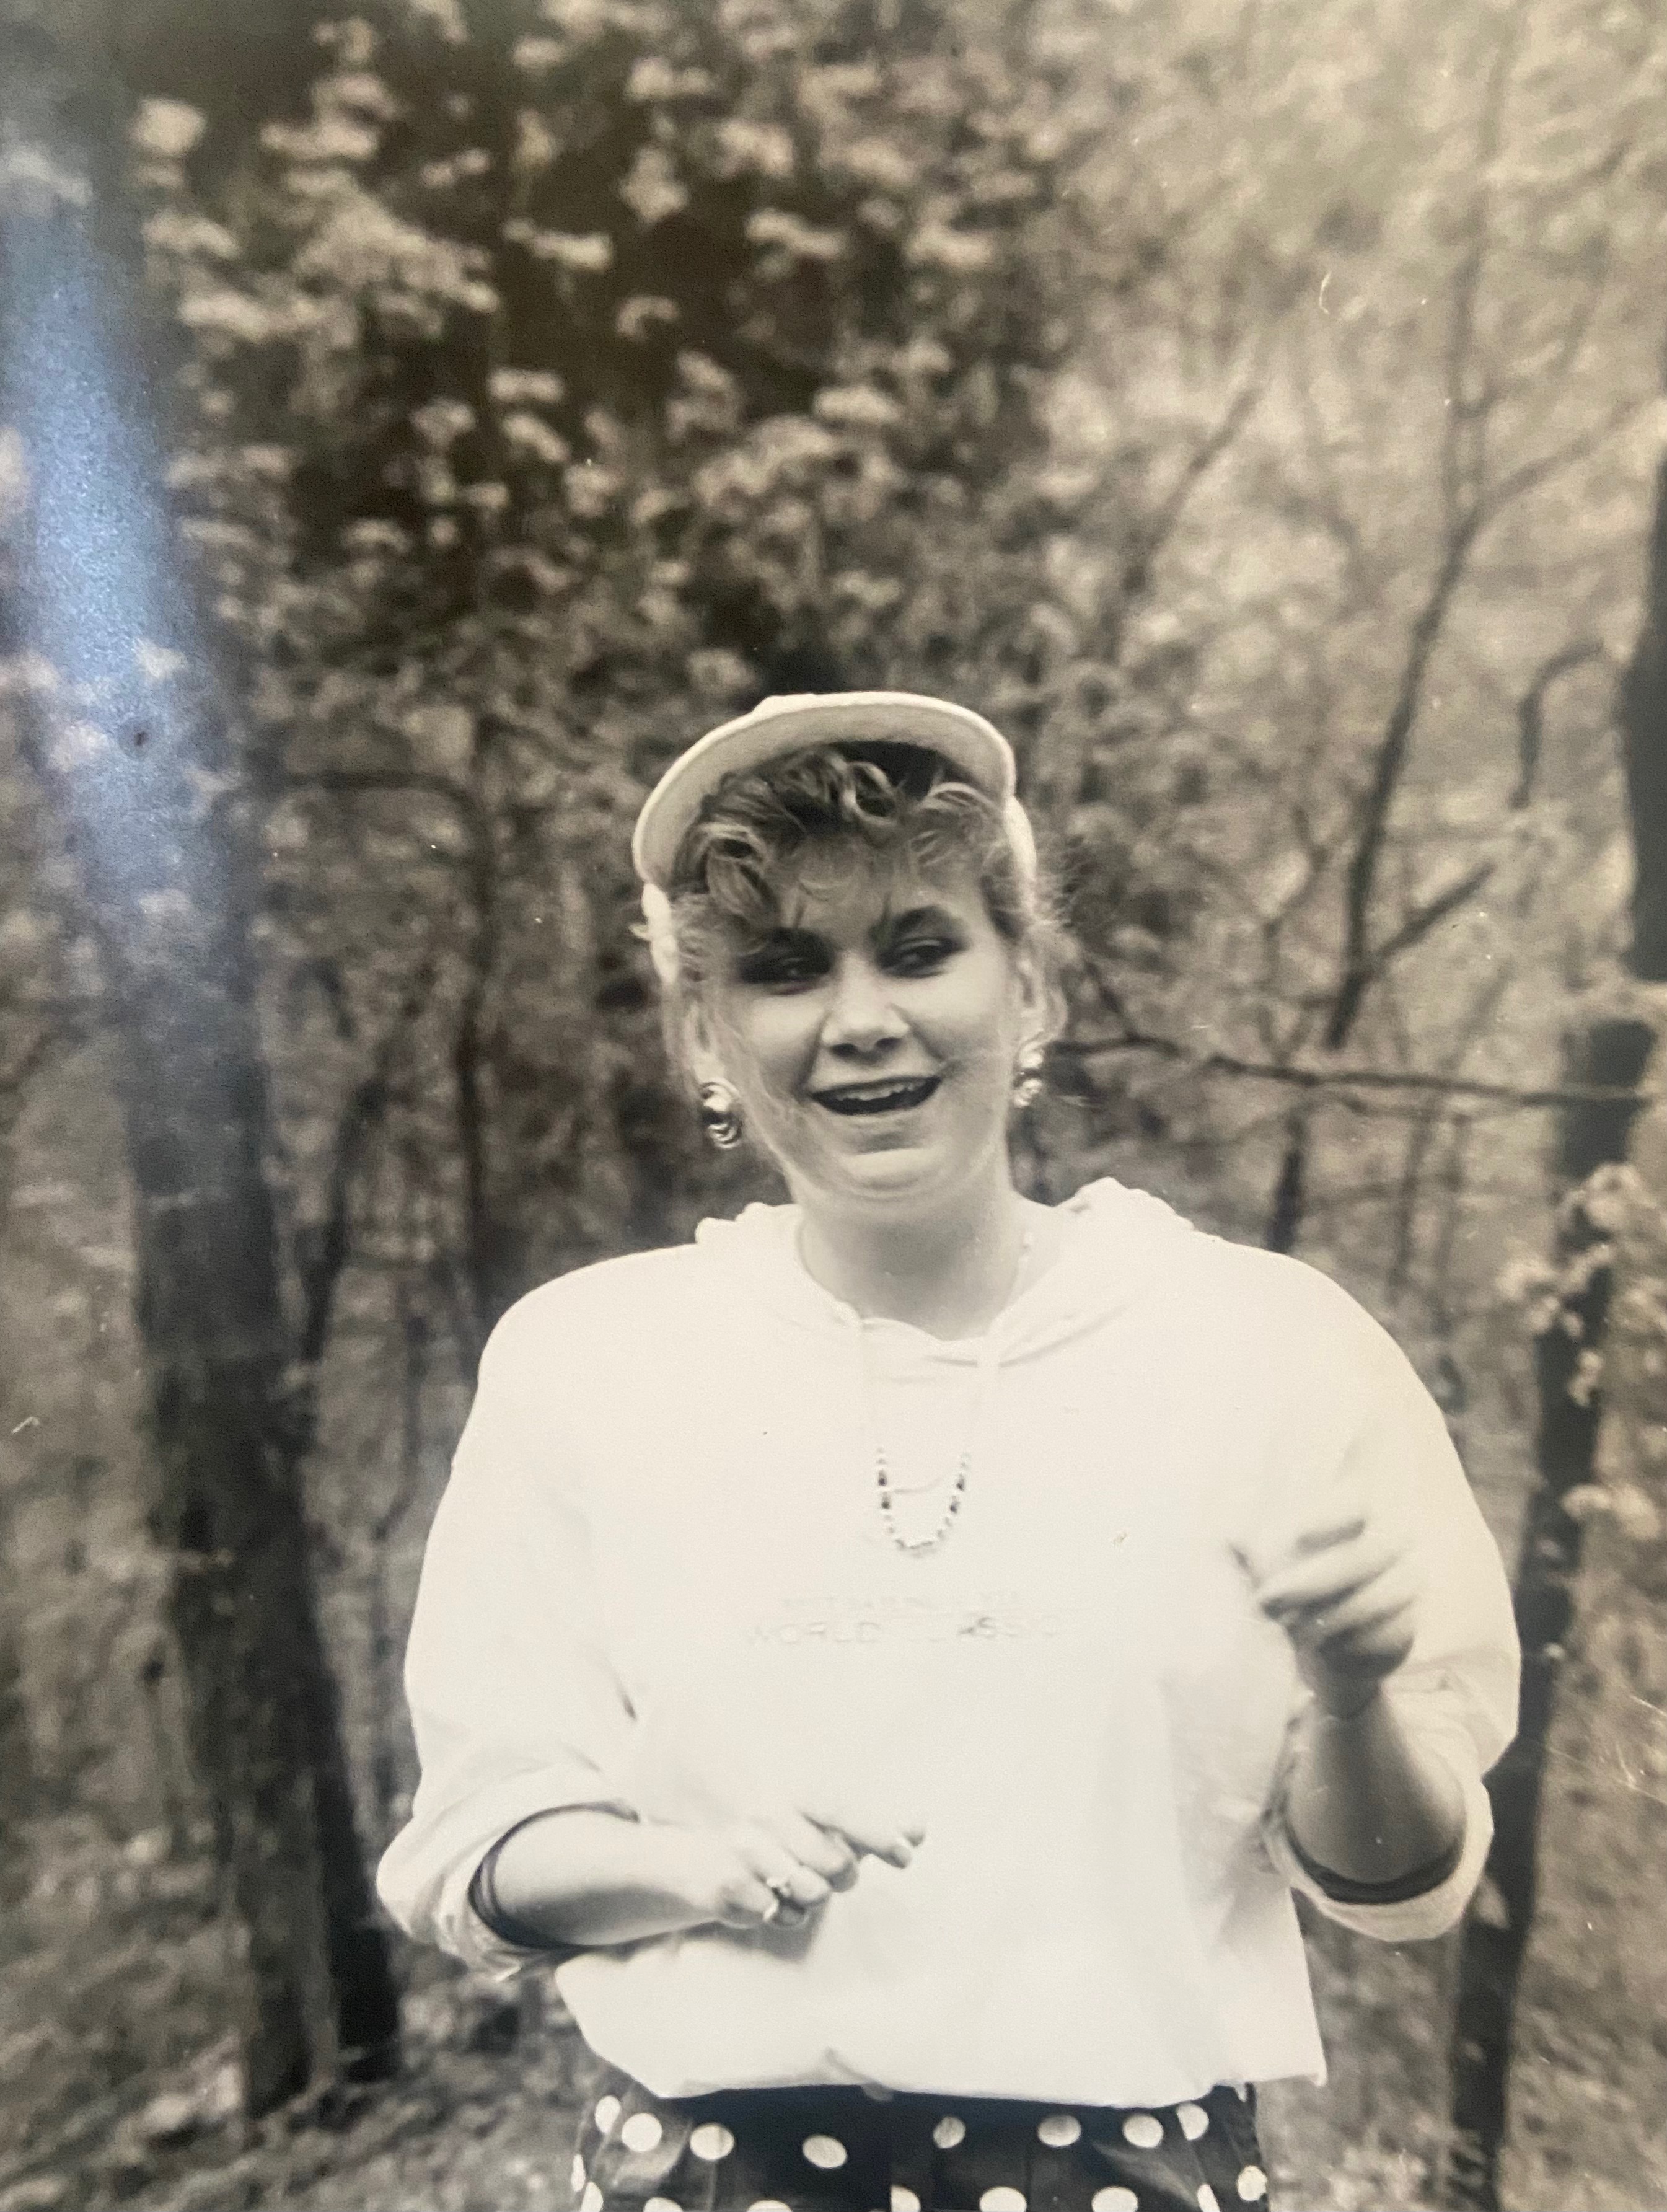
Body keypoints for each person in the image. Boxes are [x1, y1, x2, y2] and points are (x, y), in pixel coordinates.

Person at [377, 692, 1520, 2212]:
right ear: (703, 1037)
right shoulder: (585, 1363)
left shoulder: (1267, 1347)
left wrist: (1358, 1695)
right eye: (784, 971)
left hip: (1129, 2178)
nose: (859, 1018)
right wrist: (686, 1862)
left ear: (1029, 990)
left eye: (919, 947)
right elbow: (477, 1851)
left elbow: (1398, 1889)